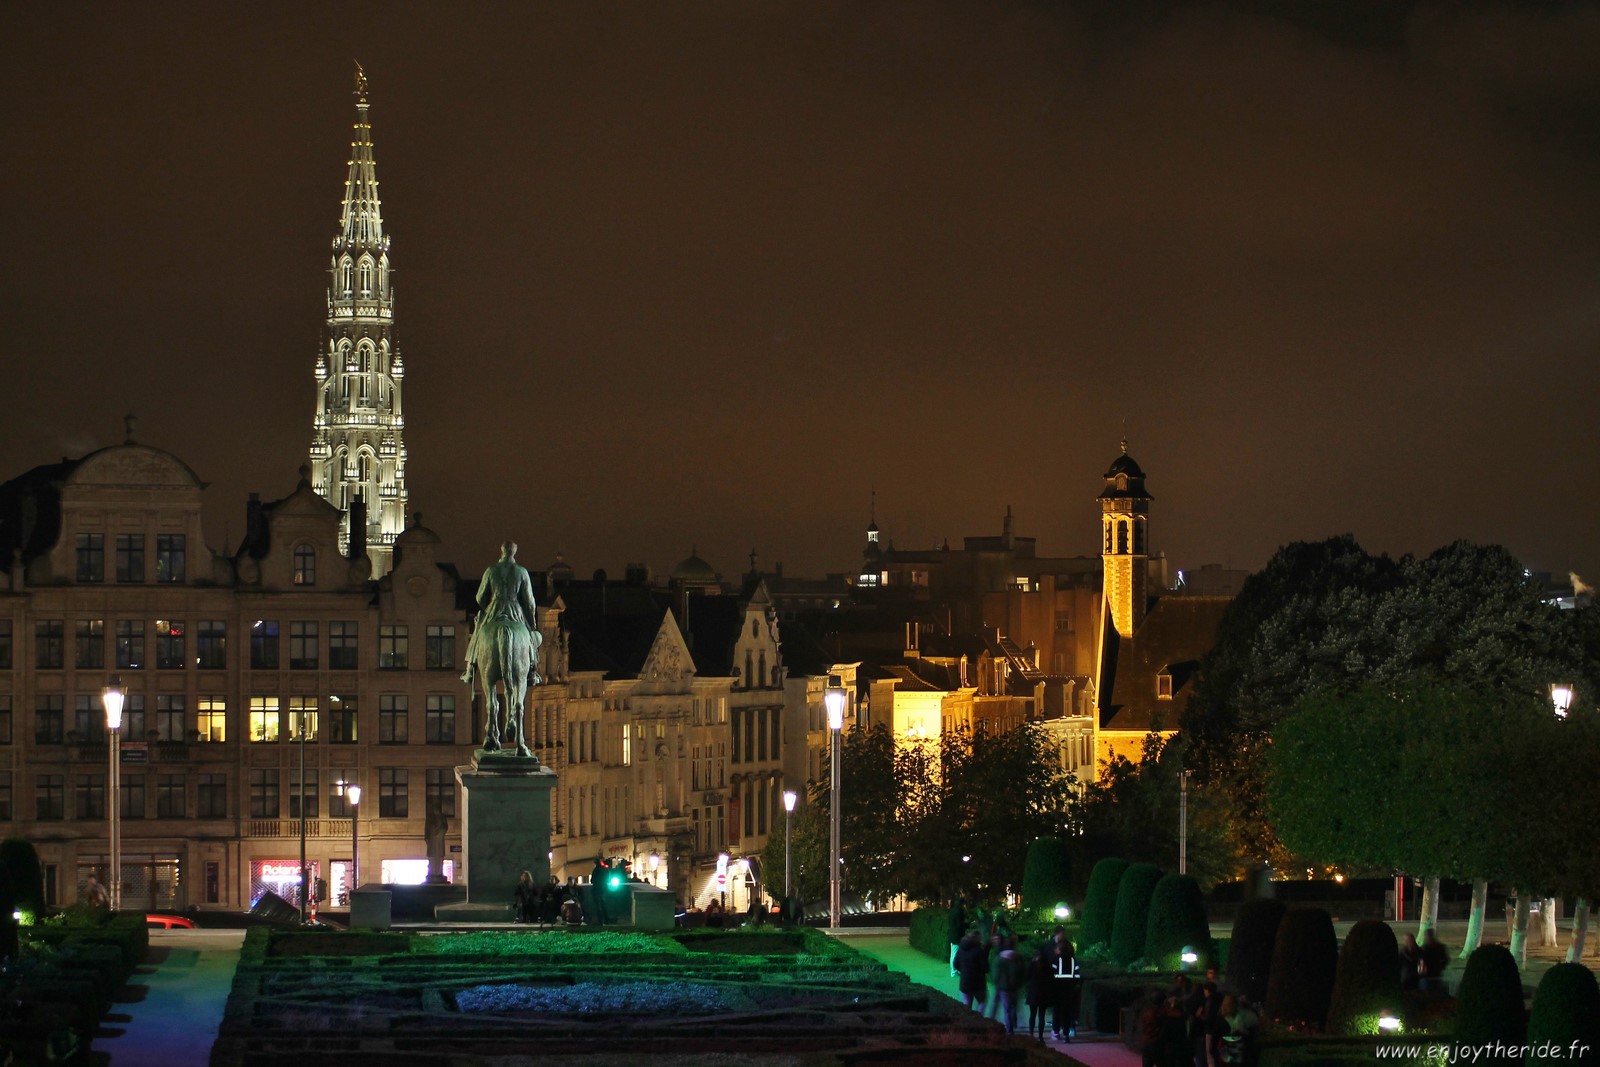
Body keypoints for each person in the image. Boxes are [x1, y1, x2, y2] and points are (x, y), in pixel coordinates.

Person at [995, 938, 1028, 1036]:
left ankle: (1009, 1029)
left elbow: (996, 974)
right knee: (1014, 1006)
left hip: (1003, 988)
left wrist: (999, 983)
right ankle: (1013, 1024)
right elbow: (1023, 972)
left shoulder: (1000, 958)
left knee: (1007, 1009)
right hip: (1015, 987)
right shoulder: (1018, 958)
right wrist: (1019, 984)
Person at [953, 931, 989, 1013]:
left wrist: (964, 971)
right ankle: (978, 1018)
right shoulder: (979, 950)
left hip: (965, 981)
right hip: (978, 983)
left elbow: (955, 964)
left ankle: (968, 1020)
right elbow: (985, 968)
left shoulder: (961, 948)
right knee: (982, 1002)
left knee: (967, 1006)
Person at [1025, 944, 1052, 1042]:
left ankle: (1031, 1033)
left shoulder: (1032, 965)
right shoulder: (1047, 966)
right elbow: (1051, 979)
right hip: (1043, 993)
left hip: (1033, 993)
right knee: (1042, 1016)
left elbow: (1026, 977)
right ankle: (1040, 1036)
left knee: (1032, 1015)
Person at [947, 896, 967, 977]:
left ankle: (954, 970)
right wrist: (967, 925)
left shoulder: (952, 911)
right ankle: (954, 971)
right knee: (956, 953)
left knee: (954, 953)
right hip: (958, 936)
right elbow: (960, 924)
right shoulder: (960, 911)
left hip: (953, 935)